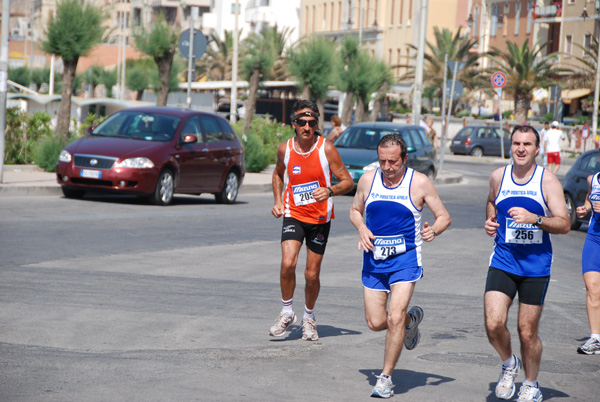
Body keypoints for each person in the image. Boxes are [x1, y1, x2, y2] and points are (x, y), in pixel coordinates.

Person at [349, 134, 451, 398]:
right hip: (373, 260)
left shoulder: (419, 182)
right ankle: (411, 321)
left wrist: (434, 231)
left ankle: (385, 378)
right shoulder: (368, 180)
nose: (387, 167)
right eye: (382, 161)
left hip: (405, 259)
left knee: (393, 317)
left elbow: (443, 217)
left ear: (404, 159)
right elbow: (355, 210)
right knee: (375, 322)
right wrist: (361, 227)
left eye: (393, 162)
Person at [484, 125, 570, 402]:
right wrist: (490, 222)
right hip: (503, 260)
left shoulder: (547, 182)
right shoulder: (499, 176)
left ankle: (531, 383)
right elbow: (491, 202)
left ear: (537, 149)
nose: (521, 149)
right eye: (517, 143)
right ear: (511, 146)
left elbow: (565, 223)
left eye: (527, 144)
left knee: (526, 331)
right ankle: (509, 363)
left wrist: (535, 219)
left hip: (536, 267)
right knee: (493, 323)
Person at [269, 99, 354, 341]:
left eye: (312, 123)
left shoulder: (326, 149)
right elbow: (277, 174)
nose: (307, 127)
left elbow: (347, 182)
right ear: (293, 124)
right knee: (287, 263)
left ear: (317, 124)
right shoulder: (285, 149)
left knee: (311, 274)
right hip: (293, 213)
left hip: (319, 219)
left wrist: (329, 191)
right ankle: (287, 312)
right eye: (301, 122)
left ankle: (308, 317)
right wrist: (277, 201)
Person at [575, 154, 600, 355]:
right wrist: (585, 208)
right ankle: (595, 339)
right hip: (594, 238)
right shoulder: (593, 179)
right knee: (592, 287)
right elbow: (589, 199)